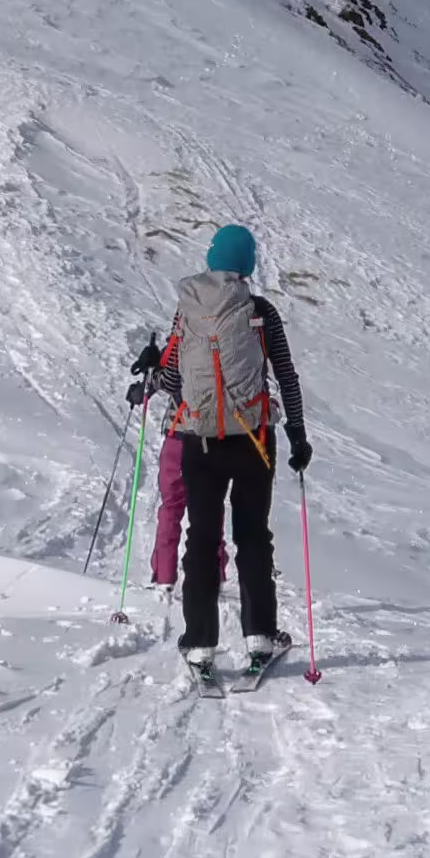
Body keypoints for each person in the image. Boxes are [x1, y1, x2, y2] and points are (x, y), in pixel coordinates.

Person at [128, 222, 309, 683]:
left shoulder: (186, 311)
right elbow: (285, 376)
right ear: (248, 264)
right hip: (253, 441)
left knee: (202, 540)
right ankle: (260, 638)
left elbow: (172, 381)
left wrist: (155, 368)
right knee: (252, 537)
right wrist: (298, 436)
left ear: (211, 259)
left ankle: (200, 645)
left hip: (198, 441)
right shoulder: (261, 311)